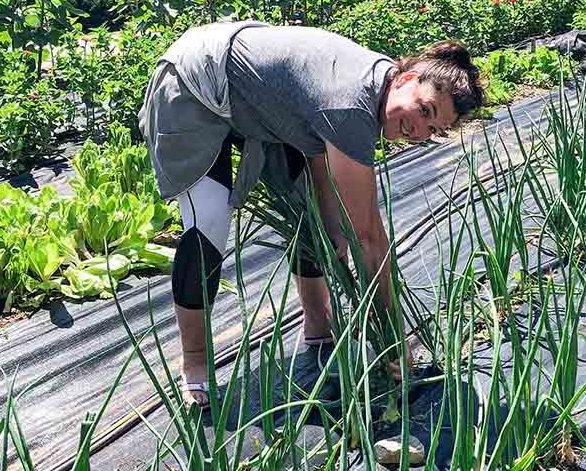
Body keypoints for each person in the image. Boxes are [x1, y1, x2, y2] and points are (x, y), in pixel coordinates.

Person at [140, 21, 483, 407]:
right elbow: (369, 238)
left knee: (314, 218)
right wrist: (393, 336)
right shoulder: (351, 101)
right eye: (424, 110)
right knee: (209, 226)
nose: (418, 130)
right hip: (196, 82)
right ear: (405, 78)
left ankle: (318, 328)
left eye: (432, 129)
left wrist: (332, 228)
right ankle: (196, 363)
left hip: (262, 105)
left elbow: (322, 161)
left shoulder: (374, 91)